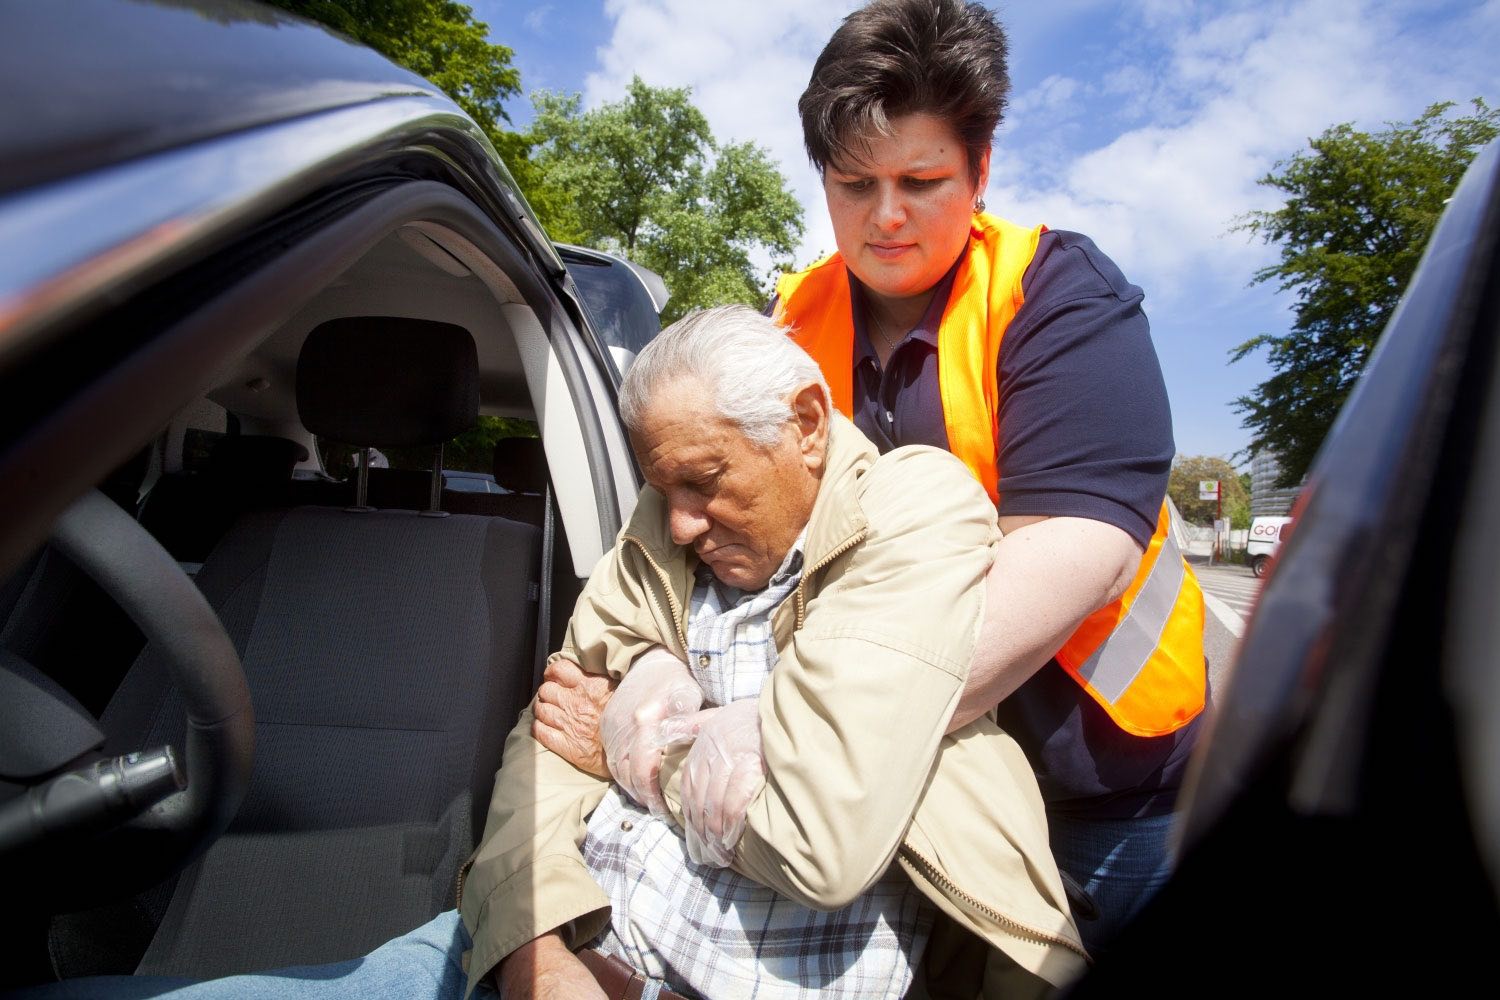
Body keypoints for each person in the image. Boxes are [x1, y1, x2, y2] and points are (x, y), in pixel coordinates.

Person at [27, 307, 1085, 1000]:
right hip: (540, 947)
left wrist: (638, 744)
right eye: (657, 486)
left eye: (704, 479)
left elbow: (815, 835)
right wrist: (534, 944)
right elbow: (546, 737)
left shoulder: (911, 506)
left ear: (808, 424)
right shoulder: (663, 527)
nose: (673, 523)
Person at [768, 0, 1210, 953]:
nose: (886, 217)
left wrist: (818, 723)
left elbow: (1074, 548)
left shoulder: (1059, 297)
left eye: (922, 181)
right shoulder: (788, 329)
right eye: (855, 184)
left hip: (1104, 798)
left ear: (980, 170)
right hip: (903, 787)